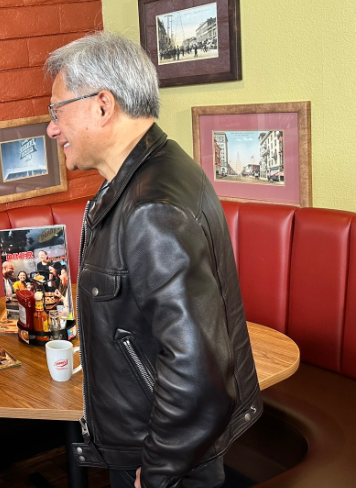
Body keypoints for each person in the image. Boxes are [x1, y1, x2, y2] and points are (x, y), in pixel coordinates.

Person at [44, 32, 261, 488]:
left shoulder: (151, 207)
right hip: (163, 449)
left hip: (165, 461)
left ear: (103, 105)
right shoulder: (155, 172)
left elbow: (198, 372)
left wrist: (158, 472)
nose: (52, 127)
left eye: (57, 110)